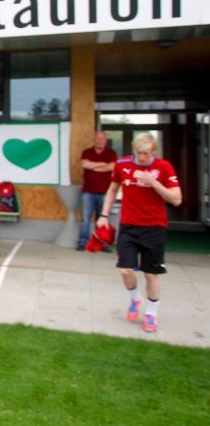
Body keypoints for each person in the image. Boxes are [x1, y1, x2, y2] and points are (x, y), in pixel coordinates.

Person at [96, 133, 181, 333]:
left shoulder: (164, 167)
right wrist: (104, 215)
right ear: (133, 151)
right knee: (125, 270)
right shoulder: (122, 164)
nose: (142, 158)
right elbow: (112, 188)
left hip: (154, 228)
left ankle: (151, 313)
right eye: (138, 153)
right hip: (128, 227)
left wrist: (153, 182)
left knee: (151, 275)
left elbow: (176, 199)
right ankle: (135, 299)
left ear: (153, 152)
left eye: (146, 154)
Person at [76, 131, 117, 251]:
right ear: (94, 140)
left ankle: (103, 244)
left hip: (105, 192)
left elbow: (112, 167)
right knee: (85, 218)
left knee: (103, 218)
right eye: (98, 138)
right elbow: (85, 165)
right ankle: (82, 242)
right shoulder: (87, 152)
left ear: (106, 140)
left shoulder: (111, 153)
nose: (100, 141)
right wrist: (102, 164)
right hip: (88, 191)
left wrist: (94, 167)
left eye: (102, 139)